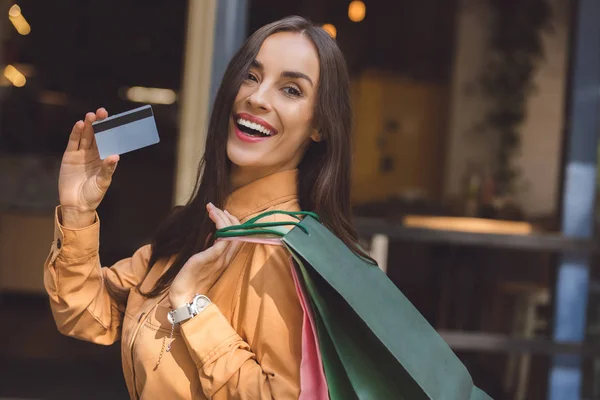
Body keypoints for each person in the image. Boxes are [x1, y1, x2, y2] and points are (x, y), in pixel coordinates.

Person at [44, 15, 371, 399]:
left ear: (320, 126)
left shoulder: (286, 255)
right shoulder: (198, 224)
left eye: (291, 90)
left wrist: (192, 307)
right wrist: (77, 212)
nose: (258, 97)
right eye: (251, 76)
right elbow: (87, 315)